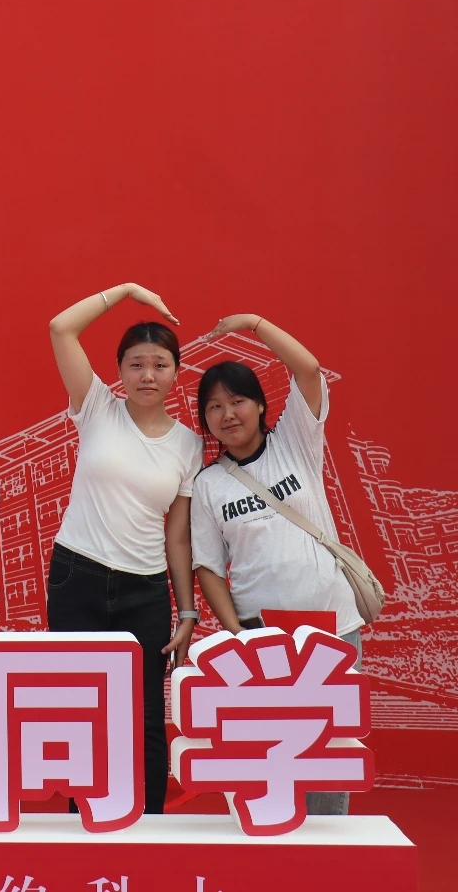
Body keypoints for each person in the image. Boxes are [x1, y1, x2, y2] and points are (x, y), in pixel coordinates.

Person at [189, 313, 363, 816]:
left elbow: (308, 370)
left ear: (261, 405)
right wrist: (235, 634)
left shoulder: (294, 442)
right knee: (267, 753)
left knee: (326, 747)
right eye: (214, 407)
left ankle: (327, 849)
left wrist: (254, 324)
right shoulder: (208, 485)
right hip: (260, 638)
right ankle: (269, 847)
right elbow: (208, 569)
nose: (228, 414)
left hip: (330, 627)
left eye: (238, 401)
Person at [47, 282, 204, 814]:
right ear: (119, 371)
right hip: (77, 576)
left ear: (176, 373)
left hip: (145, 589)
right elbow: (61, 328)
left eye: (160, 365)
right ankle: (84, 826)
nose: (147, 376)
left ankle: (150, 829)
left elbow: (177, 535)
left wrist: (187, 611)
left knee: (145, 717)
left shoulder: (189, 445)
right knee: (82, 710)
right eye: (136, 364)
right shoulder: (96, 407)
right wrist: (129, 291)